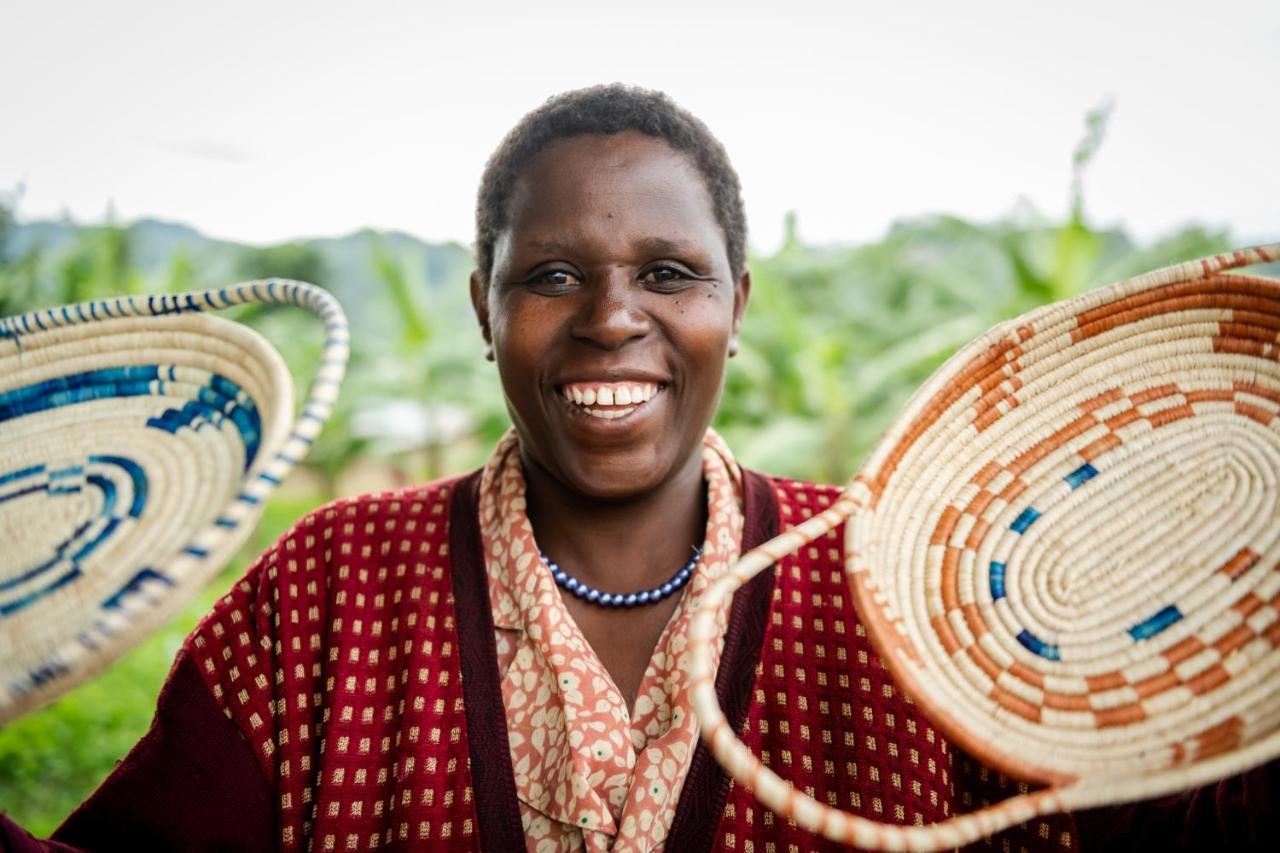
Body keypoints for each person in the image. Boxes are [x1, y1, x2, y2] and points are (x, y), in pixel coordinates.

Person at [2, 84, 1275, 853]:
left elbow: (1141, 818)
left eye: (670, 273)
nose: (613, 317)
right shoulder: (325, 587)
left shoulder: (900, 581)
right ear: (478, 308)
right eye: (549, 275)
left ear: (738, 302)